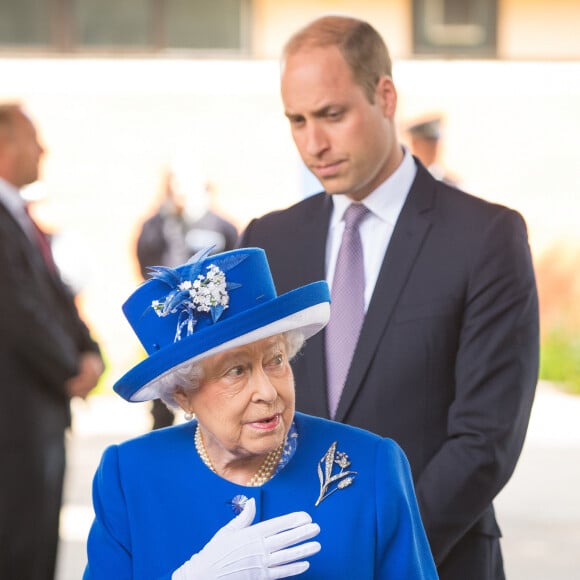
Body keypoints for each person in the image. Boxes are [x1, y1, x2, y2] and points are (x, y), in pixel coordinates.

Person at [238, 15, 539, 580]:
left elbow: (485, 440)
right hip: (288, 560)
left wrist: (379, 551)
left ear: (386, 95)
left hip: (436, 559)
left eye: (332, 115)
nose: (313, 143)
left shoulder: (485, 237)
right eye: (296, 121)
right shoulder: (267, 241)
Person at [84, 247, 437, 579]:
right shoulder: (130, 475)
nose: (268, 392)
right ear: (183, 395)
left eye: (276, 360)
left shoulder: (371, 464)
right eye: (235, 371)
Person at [0, 103, 105, 579]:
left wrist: (91, 352)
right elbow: (18, 311)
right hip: (14, 422)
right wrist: (70, 369)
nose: (42, 149)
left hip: (38, 416)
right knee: (19, 547)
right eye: (32, 139)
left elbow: (56, 297)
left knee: (39, 542)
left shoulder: (22, 218)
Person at [136, 157, 238, 429]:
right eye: (175, 182)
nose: (181, 189)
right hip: (169, 322)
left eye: (187, 182)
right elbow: (144, 266)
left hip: (212, 323)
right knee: (164, 392)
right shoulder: (155, 227)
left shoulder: (220, 226)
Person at [404, 115, 459, 185]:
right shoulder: (406, 180)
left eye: (435, 143)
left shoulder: (450, 184)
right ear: (415, 144)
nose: (433, 148)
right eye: (427, 143)